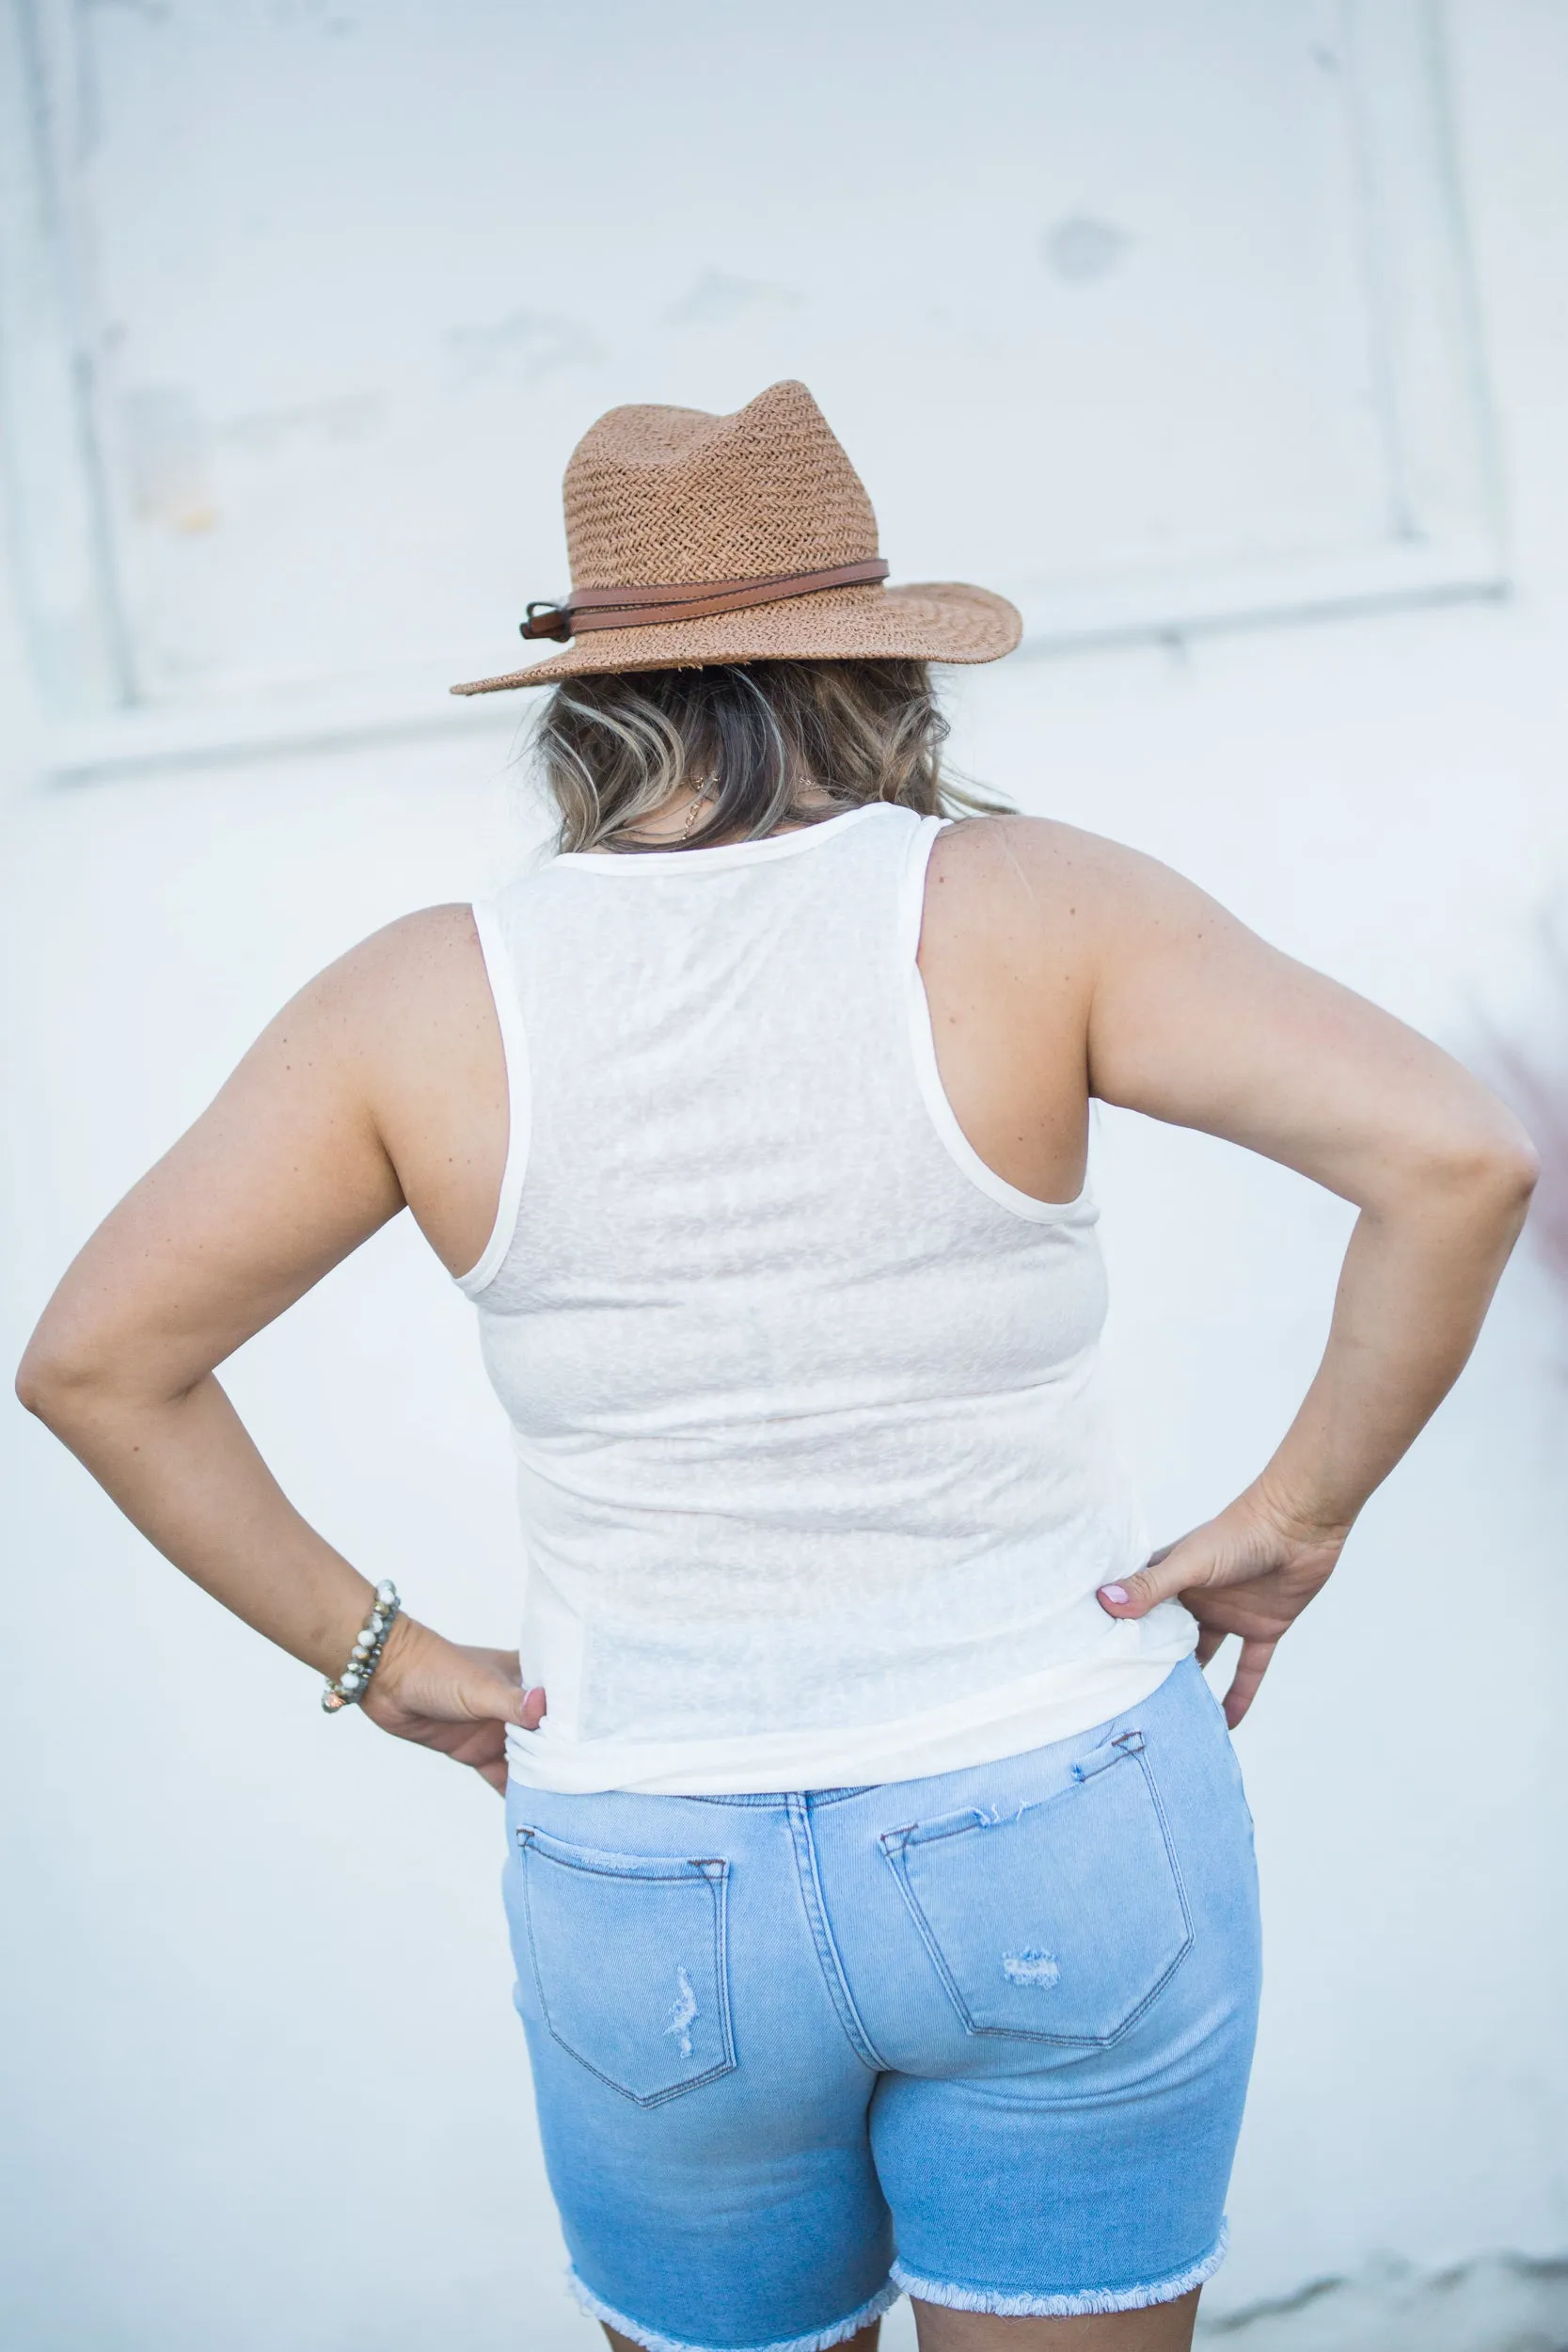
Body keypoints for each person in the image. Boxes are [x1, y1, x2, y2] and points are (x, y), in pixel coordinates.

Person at [17, 381, 1535, 2352]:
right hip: (1051, 1795)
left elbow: (96, 1359)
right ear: (878, 666)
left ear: (582, 693)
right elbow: (1453, 1153)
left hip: (648, 1858)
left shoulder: (414, 998)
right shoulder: (1027, 905)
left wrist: (381, 1659)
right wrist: (1293, 1515)